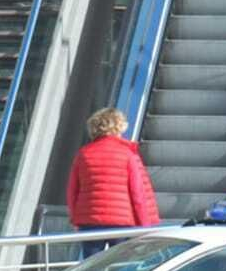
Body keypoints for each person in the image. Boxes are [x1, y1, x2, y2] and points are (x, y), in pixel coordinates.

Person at [66, 107, 160, 258]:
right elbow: (138, 194)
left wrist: (75, 217)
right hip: (122, 222)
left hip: (89, 221)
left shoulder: (83, 154)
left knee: (91, 267)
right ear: (119, 126)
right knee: (120, 267)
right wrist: (144, 225)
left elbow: (72, 191)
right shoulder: (127, 154)